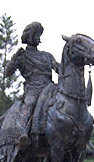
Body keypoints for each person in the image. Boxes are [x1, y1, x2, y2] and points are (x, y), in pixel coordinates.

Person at [5, 21, 59, 150]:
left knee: (69, 104)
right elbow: (7, 73)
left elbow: (58, 68)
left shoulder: (46, 55)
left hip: (50, 87)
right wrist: (14, 59)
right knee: (30, 102)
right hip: (33, 87)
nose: (38, 38)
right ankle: (23, 132)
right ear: (29, 36)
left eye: (39, 35)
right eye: (36, 35)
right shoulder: (22, 56)